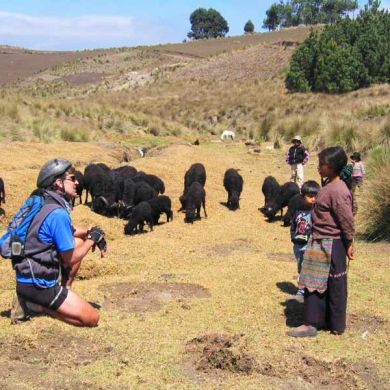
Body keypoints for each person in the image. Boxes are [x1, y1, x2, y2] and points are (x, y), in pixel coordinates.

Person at [11, 158, 107, 327]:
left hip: (25, 277)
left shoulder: (44, 202)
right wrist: (93, 239)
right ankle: (36, 306)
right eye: (72, 178)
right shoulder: (58, 214)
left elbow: (69, 232)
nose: (77, 182)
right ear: (58, 183)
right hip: (38, 284)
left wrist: (88, 232)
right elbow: (71, 258)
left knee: (77, 240)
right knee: (92, 318)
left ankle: (62, 293)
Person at [288, 146, 354, 337]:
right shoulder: (329, 186)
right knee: (314, 281)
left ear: (333, 167)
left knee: (334, 284)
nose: (318, 167)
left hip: (331, 244)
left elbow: (346, 220)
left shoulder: (338, 190)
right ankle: (318, 322)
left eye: (322, 165)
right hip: (320, 242)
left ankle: (331, 324)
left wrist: (349, 242)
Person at [289, 180, 321, 301]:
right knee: (300, 266)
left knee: (308, 267)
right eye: (310, 196)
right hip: (298, 245)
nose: (313, 199)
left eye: (315, 197)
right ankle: (302, 288)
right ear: (303, 197)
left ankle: (305, 290)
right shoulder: (297, 211)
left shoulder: (317, 212)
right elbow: (293, 226)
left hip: (310, 245)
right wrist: (293, 237)